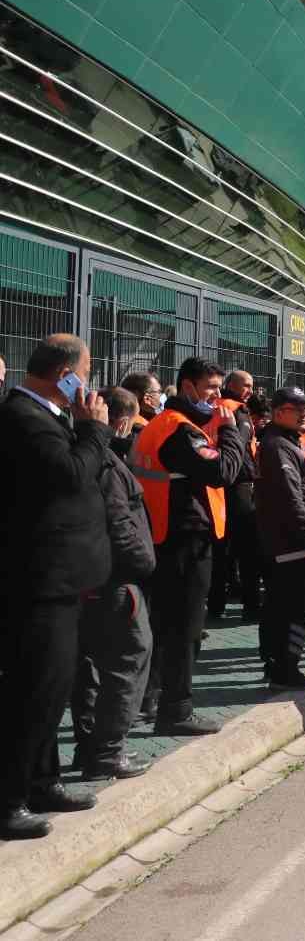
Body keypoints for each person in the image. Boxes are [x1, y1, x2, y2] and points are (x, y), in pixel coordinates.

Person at [0, 335, 110, 838]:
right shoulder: (23, 418)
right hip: (38, 581)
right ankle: (9, 799)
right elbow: (69, 475)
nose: (86, 384)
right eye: (82, 372)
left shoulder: (51, 416)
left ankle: (43, 781)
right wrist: (93, 432)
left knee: (52, 689)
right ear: (65, 372)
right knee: (32, 692)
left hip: (64, 579)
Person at [131, 356, 249, 736]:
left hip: (167, 535)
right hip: (182, 539)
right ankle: (176, 710)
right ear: (188, 388)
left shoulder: (168, 426)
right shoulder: (179, 430)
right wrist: (233, 434)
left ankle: (153, 700)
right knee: (184, 628)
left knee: (166, 625)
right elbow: (222, 472)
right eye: (212, 388)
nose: (218, 397)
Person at [71, 387, 157, 780]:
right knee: (128, 661)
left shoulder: (84, 456)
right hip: (117, 581)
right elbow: (120, 523)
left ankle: (89, 747)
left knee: (89, 667)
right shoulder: (106, 464)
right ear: (120, 421)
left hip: (88, 580)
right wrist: (142, 564)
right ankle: (108, 752)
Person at [253, 387, 305, 689]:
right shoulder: (277, 446)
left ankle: (278, 666)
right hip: (291, 545)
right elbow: (291, 498)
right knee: (292, 608)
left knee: (280, 606)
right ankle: (285, 669)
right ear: (280, 411)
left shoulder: (282, 442)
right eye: (299, 409)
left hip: (287, 542)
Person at [207, 370, 257, 619]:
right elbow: (240, 447)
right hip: (237, 483)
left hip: (218, 481)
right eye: (246, 385)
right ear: (232, 385)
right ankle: (251, 605)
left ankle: (216, 604)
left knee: (219, 545)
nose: (250, 390)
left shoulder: (214, 406)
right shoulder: (236, 410)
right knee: (246, 547)